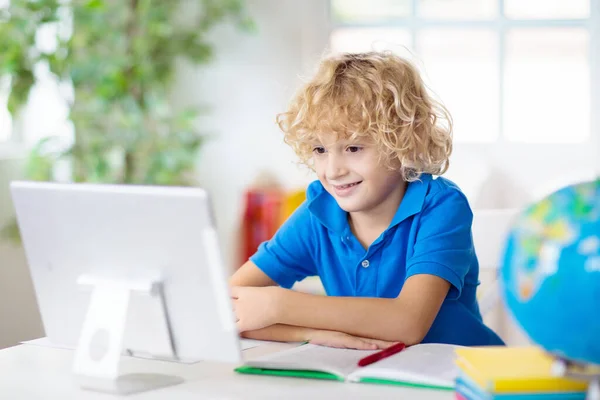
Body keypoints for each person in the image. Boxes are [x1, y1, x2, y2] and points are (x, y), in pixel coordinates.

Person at [230, 51, 504, 350]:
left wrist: (279, 304)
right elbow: (228, 307)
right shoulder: (318, 213)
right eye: (320, 149)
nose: (333, 170)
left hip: (462, 381)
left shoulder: (440, 206)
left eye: (354, 148)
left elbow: (408, 324)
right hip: (369, 378)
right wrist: (307, 334)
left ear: (403, 143)